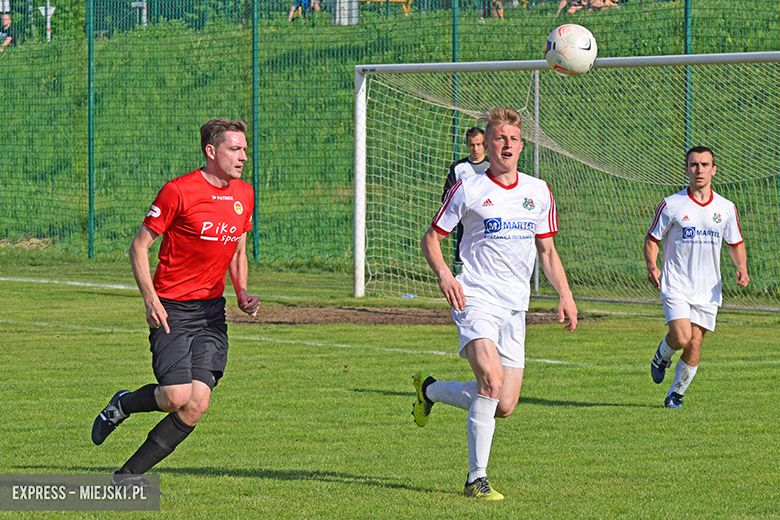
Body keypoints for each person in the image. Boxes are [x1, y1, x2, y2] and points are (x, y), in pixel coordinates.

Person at [413, 107, 578, 500]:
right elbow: (431, 238)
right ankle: (476, 479)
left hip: (515, 305)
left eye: (514, 139)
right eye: (500, 138)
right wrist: (445, 276)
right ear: (486, 144)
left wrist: (565, 293)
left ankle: (430, 391)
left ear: (521, 147)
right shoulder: (468, 188)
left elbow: (547, 251)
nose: (507, 145)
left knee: (503, 404)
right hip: (474, 296)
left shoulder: (538, 191)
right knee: (490, 379)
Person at [91, 118, 260, 489]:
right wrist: (150, 300)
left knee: (197, 404)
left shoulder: (244, 194)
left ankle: (126, 477)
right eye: (235, 149)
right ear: (211, 151)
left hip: (211, 313)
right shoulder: (179, 191)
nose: (243, 157)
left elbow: (237, 249)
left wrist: (242, 292)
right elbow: (139, 247)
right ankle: (122, 404)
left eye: (245, 149)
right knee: (175, 396)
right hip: (172, 309)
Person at [645, 146, 749, 409]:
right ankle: (661, 356)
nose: (699, 170)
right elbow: (652, 239)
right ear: (686, 170)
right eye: (694, 165)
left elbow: (735, 242)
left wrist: (742, 267)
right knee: (681, 337)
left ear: (714, 170)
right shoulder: (672, 204)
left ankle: (675, 395)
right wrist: (652, 266)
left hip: (708, 288)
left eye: (704, 165)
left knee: (695, 342)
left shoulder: (726, 208)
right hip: (676, 283)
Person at [442, 127, 490, 266]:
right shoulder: (458, 167)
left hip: (489, 221)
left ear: (485, 144)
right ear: (467, 145)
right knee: (466, 263)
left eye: (479, 144)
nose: (476, 149)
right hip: (466, 223)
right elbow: (447, 196)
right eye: (472, 145)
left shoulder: (493, 166)